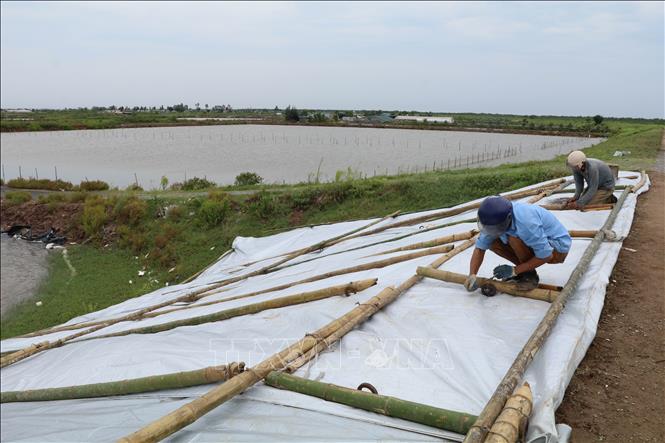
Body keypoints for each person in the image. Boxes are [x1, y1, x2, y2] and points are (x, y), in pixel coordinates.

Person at [464, 196, 572, 292]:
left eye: (496, 228)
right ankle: (524, 271)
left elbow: (547, 255)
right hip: (538, 246)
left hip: (557, 249)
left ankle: (529, 276)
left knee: (513, 238)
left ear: (508, 219)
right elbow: (480, 248)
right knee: (493, 242)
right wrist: (472, 275)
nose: (493, 230)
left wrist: (514, 270)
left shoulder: (527, 223)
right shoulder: (493, 222)